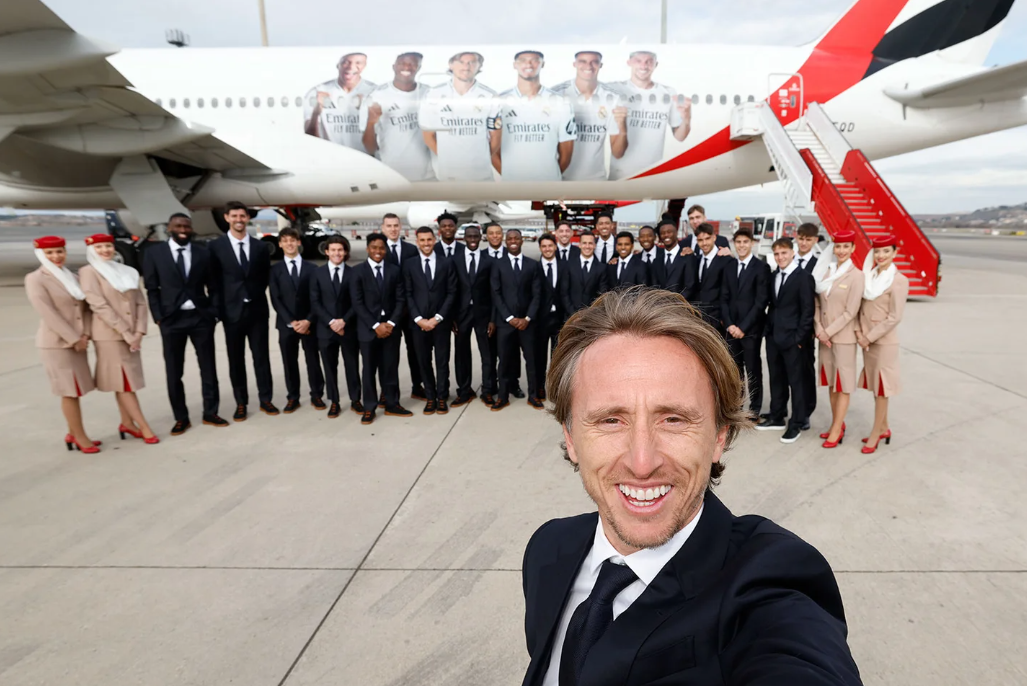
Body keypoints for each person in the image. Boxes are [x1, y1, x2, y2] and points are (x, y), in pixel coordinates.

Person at [521, 287, 862, 686]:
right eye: (611, 420)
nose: (642, 462)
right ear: (571, 439)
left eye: (675, 420)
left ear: (719, 436)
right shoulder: (548, 549)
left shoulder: (773, 579)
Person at [142, 213, 226, 436]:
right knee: (174, 371)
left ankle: (211, 412)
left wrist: (214, 313)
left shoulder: (203, 252)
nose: (183, 229)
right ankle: (181, 418)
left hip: (200, 318)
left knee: (208, 368)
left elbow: (214, 285)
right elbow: (152, 289)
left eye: (187, 226)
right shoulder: (154, 254)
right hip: (171, 320)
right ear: (169, 228)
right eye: (178, 226)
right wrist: (159, 316)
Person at [79, 233, 158, 445]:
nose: (105, 250)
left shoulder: (127, 271)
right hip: (110, 336)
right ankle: (144, 426)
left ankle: (127, 423)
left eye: (108, 246)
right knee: (124, 382)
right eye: (99, 247)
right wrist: (126, 332)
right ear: (91, 250)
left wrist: (139, 331)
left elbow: (140, 302)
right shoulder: (89, 272)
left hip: (132, 334)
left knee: (125, 381)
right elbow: (98, 305)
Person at [25, 236, 99, 453]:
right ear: (41, 254)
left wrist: (84, 334)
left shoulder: (72, 277)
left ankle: (72, 432)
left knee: (76, 388)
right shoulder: (36, 278)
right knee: (69, 391)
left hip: (78, 342)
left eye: (60, 251)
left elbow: (84, 309)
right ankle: (80, 437)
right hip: (57, 344)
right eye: (50, 253)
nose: (56, 256)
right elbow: (48, 312)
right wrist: (74, 338)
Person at [210, 201, 277, 420]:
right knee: (236, 359)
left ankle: (266, 399)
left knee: (261, 357)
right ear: (227, 218)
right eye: (234, 216)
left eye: (242, 216)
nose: (239, 220)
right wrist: (219, 310)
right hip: (231, 313)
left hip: (257, 310)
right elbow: (214, 283)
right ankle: (241, 402)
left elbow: (265, 276)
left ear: (248, 218)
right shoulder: (216, 247)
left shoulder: (259, 247)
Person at [856, 235, 909, 455]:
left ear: (894, 253)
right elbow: (862, 308)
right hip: (867, 340)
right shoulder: (870, 276)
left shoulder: (898, 280)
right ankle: (884, 427)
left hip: (883, 343)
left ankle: (876, 433)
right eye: (877, 251)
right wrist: (860, 332)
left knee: (881, 390)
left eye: (886, 251)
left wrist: (869, 337)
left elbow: (894, 316)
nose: (881, 256)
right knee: (875, 388)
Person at [351, 232, 412, 424]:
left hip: (391, 329)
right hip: (368, 330)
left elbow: (401, 299)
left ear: (386, 249)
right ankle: (369, 406)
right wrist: (376, 325)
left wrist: (391, 323)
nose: (378, 251)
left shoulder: (394, 271)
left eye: (381, 248)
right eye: (374, 247)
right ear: (368, 249)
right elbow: (357, 303)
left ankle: (392, 403)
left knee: (390, 367)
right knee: (369, 369)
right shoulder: (357, 272)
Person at [758, 238, 815, 444]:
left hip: (793, 340)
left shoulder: (803, 278)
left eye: (783, 253)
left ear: (792, 253)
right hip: (774, 337)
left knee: (796, 383)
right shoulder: (774, 275)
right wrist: (768, 332)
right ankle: (777, 415)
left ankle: (797, 422)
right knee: (777, 379)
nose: (780, 257)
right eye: (776, 254)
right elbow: (774, 306)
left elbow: (808, 311)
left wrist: (799, 339)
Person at [812, 231, 865, 449]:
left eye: (846, 246)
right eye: (838, 246)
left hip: (842, 339)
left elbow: (851, 311)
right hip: (824, 338)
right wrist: (818, 328)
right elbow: (817, 303)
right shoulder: (827, 271)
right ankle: (837, 423)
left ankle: (837, 428)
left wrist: (828, 332)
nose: (841, 250)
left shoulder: (856, 276)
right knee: (831, 383)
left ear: (853, 248)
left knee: (842, 385)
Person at [491, 50, 576, 181]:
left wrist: (550, 177)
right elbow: (492, 150)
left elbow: (567, 152)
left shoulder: (561, 102)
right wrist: (510, 177)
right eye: (523, 60)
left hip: (549, 187)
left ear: (543, 64)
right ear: (515, 65)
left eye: (535, 60)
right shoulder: (498, 102)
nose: (529, 64)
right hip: (513, 188)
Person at [608, 51, 692, 180]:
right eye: (638, 61)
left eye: (649, 62)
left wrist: (686, 118)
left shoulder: (668, 93)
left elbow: (680, 137)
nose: (644, 66)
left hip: (652, 173)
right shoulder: (613, 89)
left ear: (655, 65)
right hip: (619, 174)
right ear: (629, 63)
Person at [269, 227, 325, 414]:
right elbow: (276, 298)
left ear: (298, 242)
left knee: (313, 360)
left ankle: (317, 394)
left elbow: (317, 297)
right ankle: (293, 397)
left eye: (293, 240)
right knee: (289, 361)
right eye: (285, 241)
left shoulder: (312, 269)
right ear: (280, 244)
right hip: (286, 325)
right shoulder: (275, 270)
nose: (289, 244)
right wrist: (291, 322)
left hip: (310, 323)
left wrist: (308, 320)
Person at [403, 227, 458, 414]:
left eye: (429, 239)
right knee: (423, 361)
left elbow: (452, 292)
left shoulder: (446, 263)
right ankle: (430, 396)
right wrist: (419, 319)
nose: (426, 243)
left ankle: (442, 397)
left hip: (440, 322)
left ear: (435, 240)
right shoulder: (409, 265)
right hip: (418, 324)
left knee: (442, 361)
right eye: (422, 240)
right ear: (417, 242)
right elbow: (408, 293)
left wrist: (438, 318)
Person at [419, 51, 497, 181]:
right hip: (448, 174)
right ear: (451, 65)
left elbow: (495, 136)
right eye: (462, 62)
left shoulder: (490, 96)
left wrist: (481, 159)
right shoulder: (433, 94)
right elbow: (428, 136)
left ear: (479, 67)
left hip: (481, 175)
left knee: (484, 201)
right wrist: (447, 159)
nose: (466, 66)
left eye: (472, 62)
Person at [551, 51, 627, 181]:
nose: (589, 66)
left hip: (596, 179)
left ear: (600, 65)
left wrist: (623, 127)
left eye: (594, 62)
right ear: (574, 64)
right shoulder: (555, 94)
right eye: (583, 61)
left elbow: (618, 153)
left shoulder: (612, 98)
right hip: (559, 178)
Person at [720, 227, 771, 417]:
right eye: (738, 242)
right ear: (734, 244)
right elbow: (723, 298)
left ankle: (755, 408)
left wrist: (743, 327)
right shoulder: (729, 267)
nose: (742, 246)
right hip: (731, 328)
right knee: (734, 370)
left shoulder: (761, 268)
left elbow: (761, 302)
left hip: (750, 330)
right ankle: (737, 406)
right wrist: (730, 325)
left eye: (745, 242)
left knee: (753, 369)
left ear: (752, 243)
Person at [360, 52, 434, 181]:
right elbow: (369, 148)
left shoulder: (429, 94)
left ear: (419, 68)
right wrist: (370, 122)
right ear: (394, 67)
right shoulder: (376, 96)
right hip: (392, 174)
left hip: (428, 175)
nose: (406, 67)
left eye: (412, 64)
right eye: (402, 63)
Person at [310, 235, 361, 418]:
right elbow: (315, 301)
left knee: (352, 365)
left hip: (348, 328)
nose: (337, 253)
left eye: (340, 250)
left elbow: (357, 302)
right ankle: (335, 401)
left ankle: (356, 399)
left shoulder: (353, 273)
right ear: (327, 252)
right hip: (326, 329)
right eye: (333, 250)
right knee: (330, 367)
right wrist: (331, 322)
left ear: (345, 252)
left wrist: (343, 321)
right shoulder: (317, 273)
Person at [490, 228, 542, 410]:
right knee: (504, 361)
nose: (513, 241)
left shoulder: (532, 265)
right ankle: (502, 396)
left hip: (527, 323)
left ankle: (534, 395)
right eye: (510, 238)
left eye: (516, 238)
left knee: (531, 360)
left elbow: (537, 294)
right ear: (506, 241)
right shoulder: (498, 264)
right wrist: (510, 318)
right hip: (506, 323)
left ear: (521, 241)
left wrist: (527, 317)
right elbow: (496, 293)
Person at [381, 213, 425, 401]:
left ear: (401, 227)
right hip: (389, 312)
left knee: (415, 351)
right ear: (383, 228)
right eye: (389, 226)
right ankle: (388, 391)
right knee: (389, 355)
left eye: (396, 225)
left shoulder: (411, 250)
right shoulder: (379, 249)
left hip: (410, 311)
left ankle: (418, 386)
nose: (393, 229)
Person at [451, 225, 497, 407]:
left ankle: (487, 390)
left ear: (480, 238)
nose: (472, 239)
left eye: (475, 236)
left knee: (487, 354)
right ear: (463, 238)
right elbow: (452, 290)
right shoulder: (455, 260)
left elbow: (494, 291)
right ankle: (464, 390)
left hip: (483, 314)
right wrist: (452, 317)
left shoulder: (489, 260)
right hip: (461, 315)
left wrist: (493, 318)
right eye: (469, 236)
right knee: (461, 354)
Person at [304, 52, 376, 151]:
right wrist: (316, 113)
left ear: (364, 66)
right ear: (338, 65)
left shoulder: (374, 92)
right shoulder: (318, 91)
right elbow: (310, 138)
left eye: (358, 63)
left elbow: (383, 139)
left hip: (366, 162)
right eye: (346, 62)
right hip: (330, 160)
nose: (351, 67)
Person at [534, 233, 565, 402]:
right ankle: (539, 386)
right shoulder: (534, 267)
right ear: (540, 248)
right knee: (539, 356)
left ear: (555, 247)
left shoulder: (564, 266)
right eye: (544, 246)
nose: (547, 249)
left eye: (550, 246)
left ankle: (555, 389)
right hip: (540, 320)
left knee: (557, 357)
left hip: (559, 318)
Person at [796, 222, 821, 423]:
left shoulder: (819, 265)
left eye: (808, 240)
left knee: (806, 372)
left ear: (815, 241)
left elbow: (819, 300)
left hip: (806, 329)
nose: (804, 243)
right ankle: (793, 410)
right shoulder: (789, 260)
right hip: (787, 327)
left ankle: (806, 411)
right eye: (801, 238)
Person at [691, 223, 730, 332]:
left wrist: (724, 318)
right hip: (700, 319)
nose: (704, 243)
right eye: (700, 240)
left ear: (714, 237)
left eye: (707, 239)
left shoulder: (726, 260)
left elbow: (728, 292)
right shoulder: (696, 260)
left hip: (719, 321)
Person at [561, 232, 608, 317]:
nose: (587, 246)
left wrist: (590, 314)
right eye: (584, 243)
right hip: (570, 316)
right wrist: (574, 314)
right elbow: (564, 293)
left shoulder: (602, 268)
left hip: (592, 317)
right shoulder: (568, 265)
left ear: (594, 245)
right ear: (579, 245)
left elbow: (602, 294)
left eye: (590, 243)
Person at [656, 217, 697, 300]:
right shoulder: (656, 260)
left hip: (682, 306)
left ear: (676, 233)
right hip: (660, 308)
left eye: (669, 232)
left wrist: (675, 304)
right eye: (663, 233)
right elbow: (655, 286)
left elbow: (690, 285)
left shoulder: (688, 257)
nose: (666, 235)